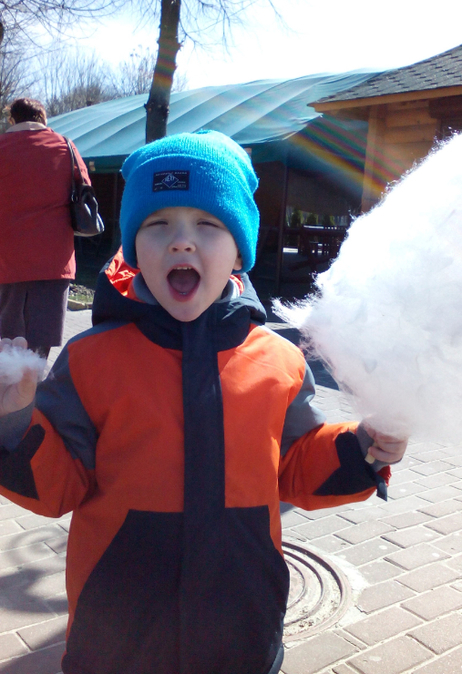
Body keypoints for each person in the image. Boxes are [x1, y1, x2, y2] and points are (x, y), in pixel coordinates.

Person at [0, 131, 407, 674]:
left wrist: (362, 449)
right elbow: (60, 486)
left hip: (241, 627)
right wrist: (12, 423)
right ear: (133, 249)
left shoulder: (279, 360)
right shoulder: (91, 360)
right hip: (116, 635)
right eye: (157, 224)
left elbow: (293, 464)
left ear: (239, 251)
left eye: (208, 225)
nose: (181, 242)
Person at [0, 97, 91, 359]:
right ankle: (33, 381)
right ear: (43, 118)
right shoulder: (65, 146)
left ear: (12, 119)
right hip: (54, 260)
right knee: (40, 345)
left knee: (5, 341)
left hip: (6, 260)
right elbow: (85, 189)